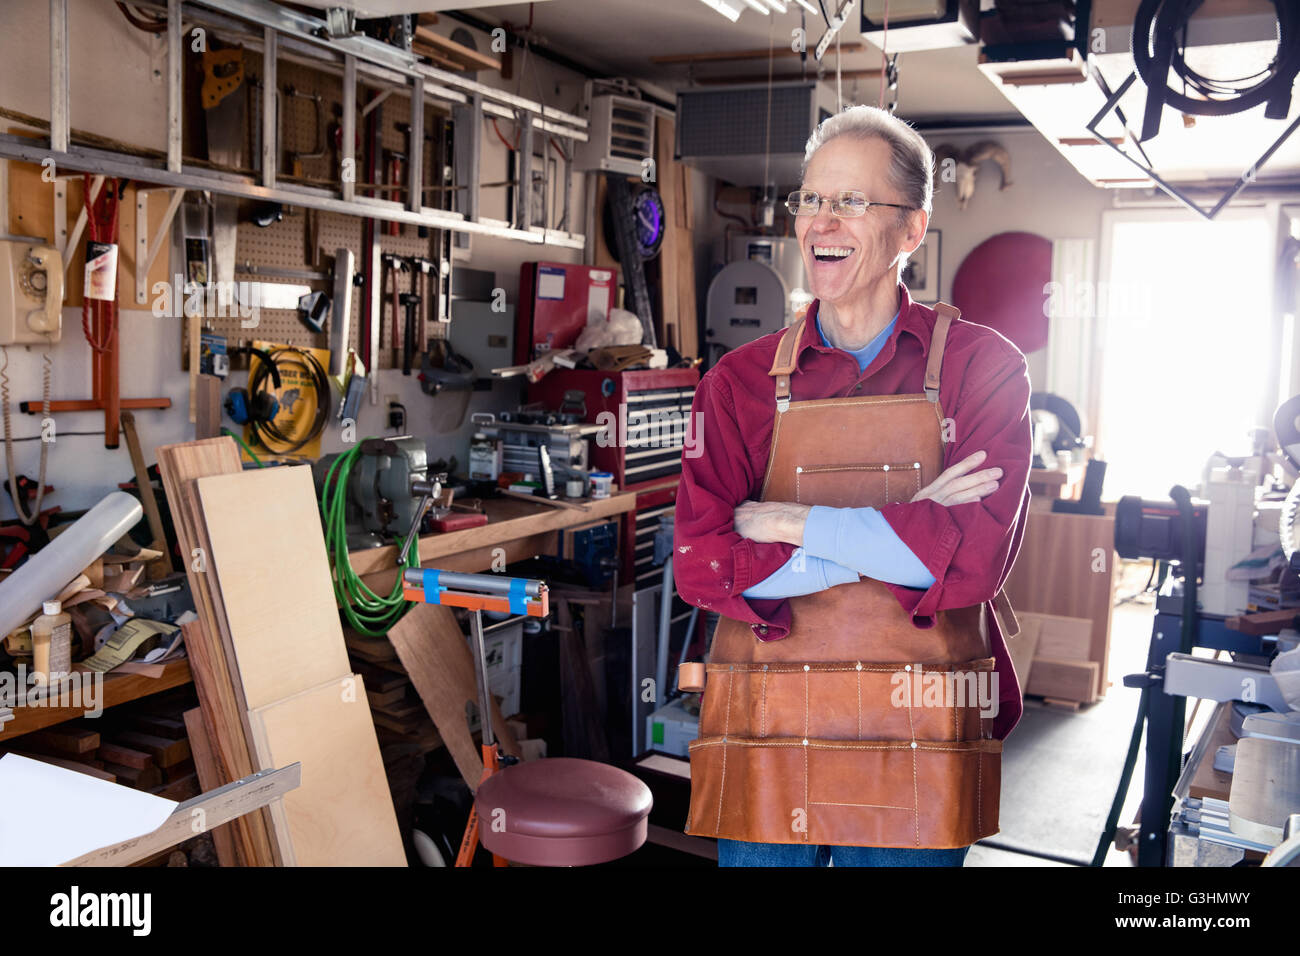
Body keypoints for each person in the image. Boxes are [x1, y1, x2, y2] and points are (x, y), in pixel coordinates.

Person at [673, 105, 1033, 867]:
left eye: (851, 201)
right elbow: (702, 564)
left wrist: (789, 524)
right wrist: (910, 528)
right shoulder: (735, 384)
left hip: (922, 727)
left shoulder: (983, 368)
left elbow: (969, 566)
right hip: (766, 723)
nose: (821, 221)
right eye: (810, 199)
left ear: (912, 230)